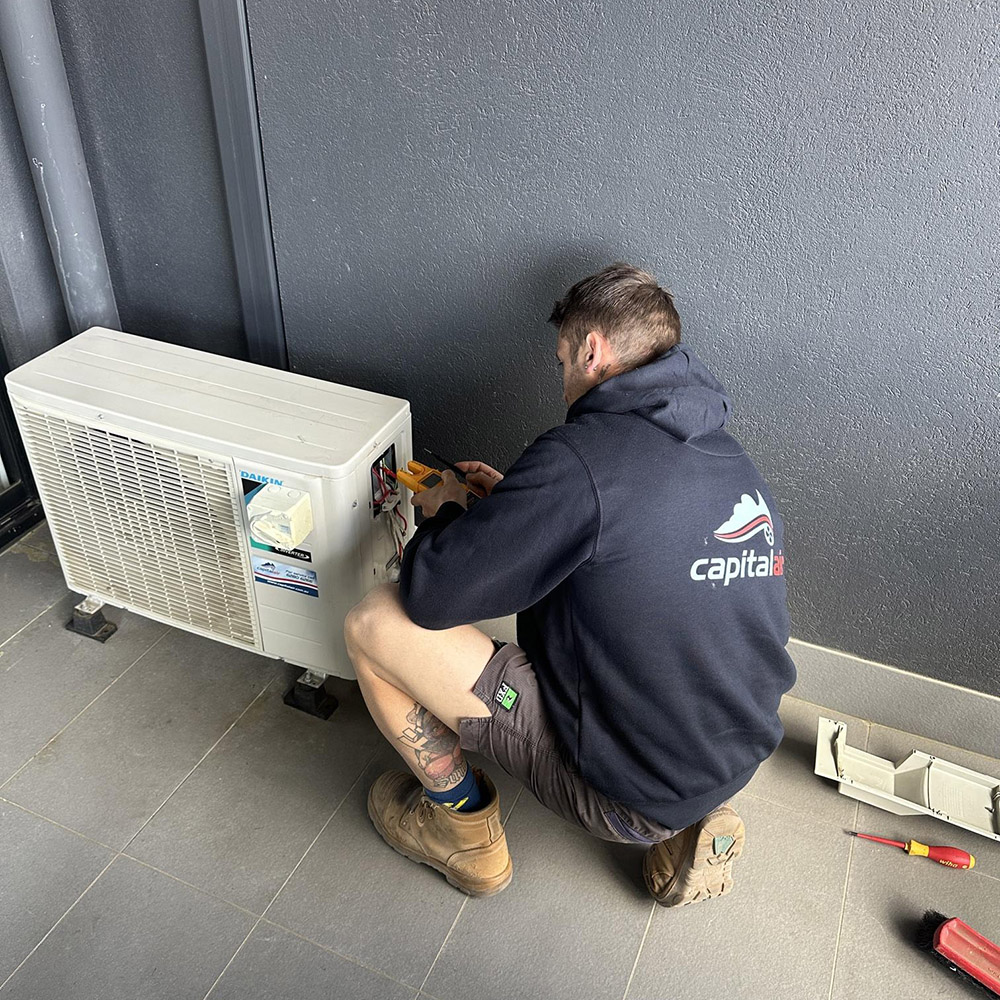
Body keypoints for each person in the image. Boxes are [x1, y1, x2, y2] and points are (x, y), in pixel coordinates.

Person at [344, 262, 796, 904]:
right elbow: (621, 545)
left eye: (562, 363)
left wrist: (445, 505)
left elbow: (432, 594)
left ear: (593, 350)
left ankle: (462, 834)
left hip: (629, 789)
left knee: (374, 623)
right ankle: (686, 821)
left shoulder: (582, 457)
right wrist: (516, 512)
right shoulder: (730, 462)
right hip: (731, 755)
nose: (562, 388)